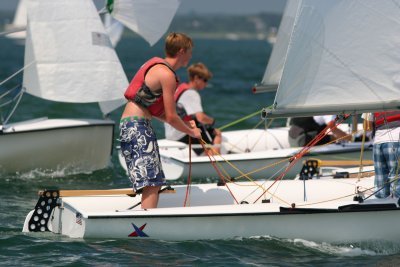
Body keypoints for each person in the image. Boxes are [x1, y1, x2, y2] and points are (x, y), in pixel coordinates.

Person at [119, 32, 201, 209]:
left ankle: (146, 217)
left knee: (152, 180)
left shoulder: (157, 66)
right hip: (137, 127)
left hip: (132, 125)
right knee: (152, 182)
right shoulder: (167, 75)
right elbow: (171, 117)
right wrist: (192, 132)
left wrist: (186, 125)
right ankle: (146, 224)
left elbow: (159, 113)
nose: (191, 56)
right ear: (181, 52)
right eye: (190, 52)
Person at [164, 62, 222, 155]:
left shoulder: (180, 88)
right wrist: (212, 121)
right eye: (205, 80)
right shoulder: (192, 93)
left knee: (201, 128)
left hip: (171, 133)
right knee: (216, 134)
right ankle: (214, 163)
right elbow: (201, 117)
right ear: (196, 78)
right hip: (181, 134)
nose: (206, 83)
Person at [362, 111, 400, 198]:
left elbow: (366, 127)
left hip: (378, 142)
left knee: (381, 179)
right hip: (396, 139)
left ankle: (382, 204)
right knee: (397, 178)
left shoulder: (371, 100)